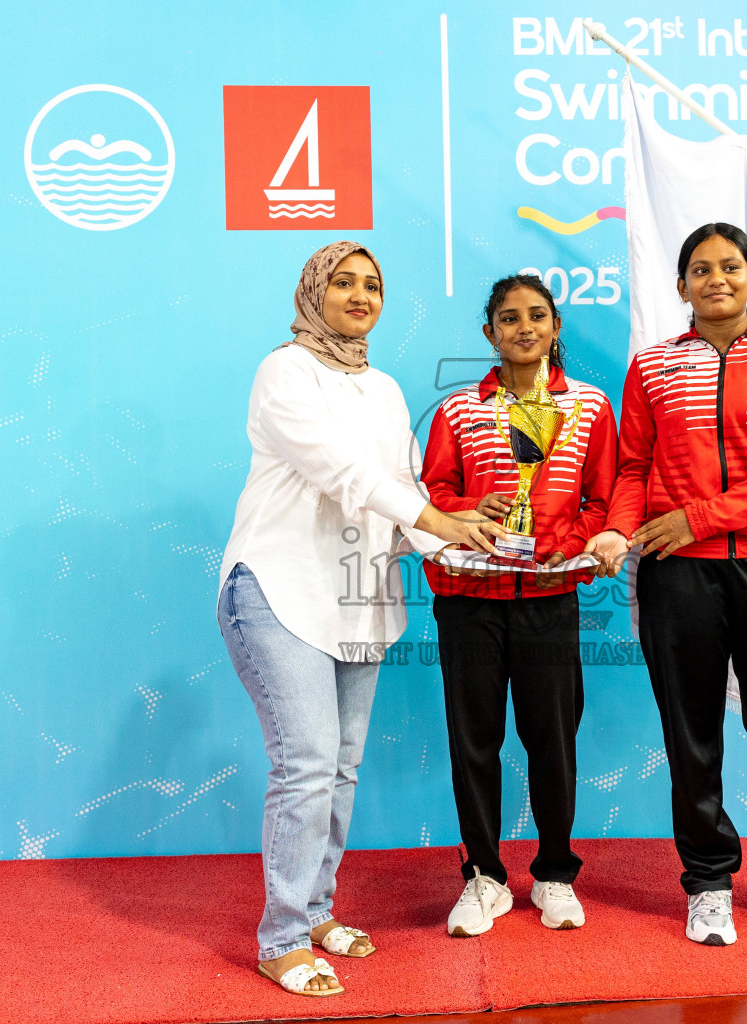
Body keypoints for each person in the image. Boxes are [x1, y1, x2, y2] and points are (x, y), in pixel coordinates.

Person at [218, 240, 505, 997]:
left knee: (339, 768)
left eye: (372, 284)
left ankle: (315, 911)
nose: (359, 294)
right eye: (342, 281)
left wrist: (473, 536)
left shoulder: (381, 387)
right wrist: (436, 520)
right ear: (313, 291)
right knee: (307, 763)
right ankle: (280, 938)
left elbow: (405, 490)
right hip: (277, 588)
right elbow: (341, 472)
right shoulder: (285, 370)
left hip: (359, 600)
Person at [585, 223, 747, 944]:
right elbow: (634, 469)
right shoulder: (650, 368)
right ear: (680, 288)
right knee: (692, 735)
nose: (717, 279)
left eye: (730, 267)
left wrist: (699, 517)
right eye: (700, 270)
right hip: (679, 578)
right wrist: (617, 527)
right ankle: (707, 883)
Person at [419, 274, 618, 936]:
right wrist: (469, 511)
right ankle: (483, 877)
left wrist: (561, 538)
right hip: (468, 597)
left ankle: (555, 875)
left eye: (537, 315)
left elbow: (603, 497)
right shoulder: (456, 412)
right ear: (489, 334)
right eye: (509, 318)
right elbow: (436, 492)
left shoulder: (589, 407)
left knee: (551, 741)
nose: (524, 327)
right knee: (473, 741)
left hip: (549, 597)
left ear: (555, 326)